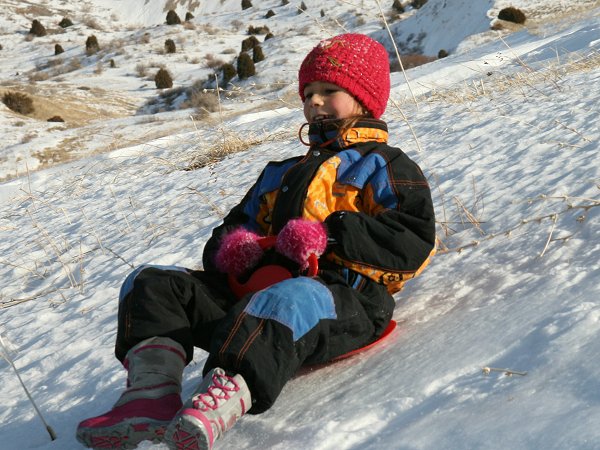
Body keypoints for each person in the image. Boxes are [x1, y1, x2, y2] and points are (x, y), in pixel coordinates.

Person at [76, 33, 436, 450]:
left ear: (364, 98)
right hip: (255, 295)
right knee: (152, 283)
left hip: (342, 302)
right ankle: (149, 396)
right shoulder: (281, 172)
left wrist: (331, 235)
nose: (315, 102)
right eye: (309, 93)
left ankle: (220, 399)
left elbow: (413, 239)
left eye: (329, 91)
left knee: (290, 297)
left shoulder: (386, 165)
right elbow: (226, 235)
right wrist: (235, 250)